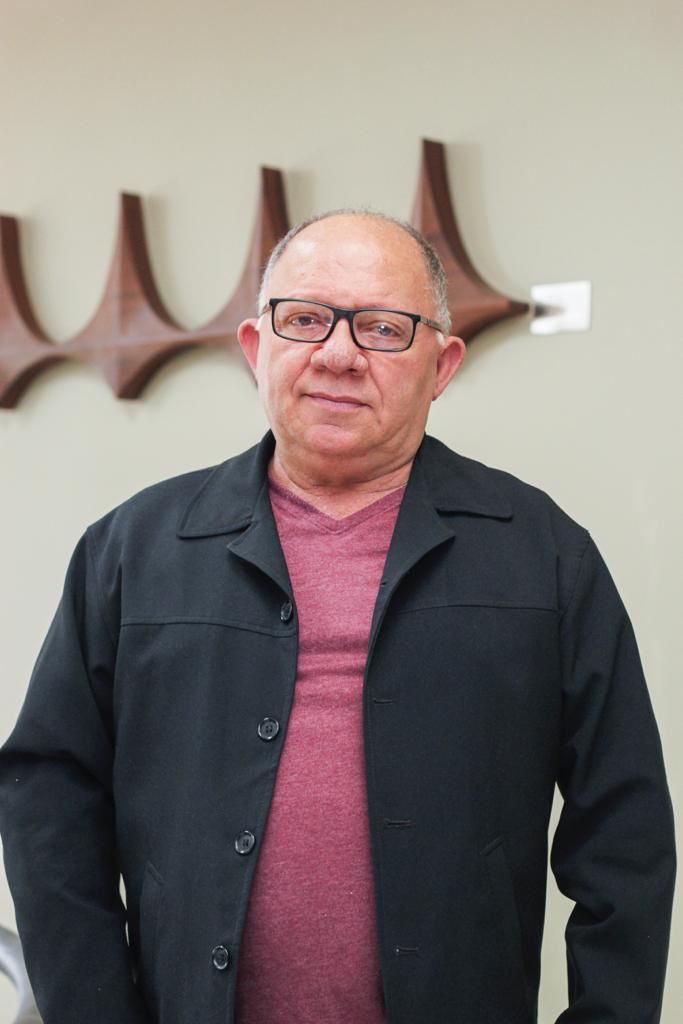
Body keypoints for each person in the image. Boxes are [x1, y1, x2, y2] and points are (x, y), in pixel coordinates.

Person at [0, 210, 675, 1024]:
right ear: (255, 347)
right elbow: (47, 797)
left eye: (383, 328)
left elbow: (624, 829)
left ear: (441, 365)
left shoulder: (541, 555)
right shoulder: (134, 549)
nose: (338, 354)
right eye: (305, 319)